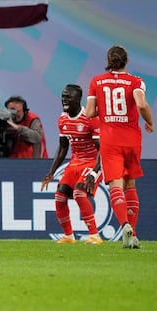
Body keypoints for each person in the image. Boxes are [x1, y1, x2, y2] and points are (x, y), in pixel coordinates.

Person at [85, 45, 154, 249]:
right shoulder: (136, 81)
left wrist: (105, 111)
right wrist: (149, 121)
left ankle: (124, 225)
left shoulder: (97, 81)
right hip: (131, 138)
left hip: (110, 139)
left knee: (116, 185)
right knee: (130, 184)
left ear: (109, 60)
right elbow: (141, 105)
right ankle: (133, 235)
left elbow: (89, 113)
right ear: (127, 61)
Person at [41, 84, 103, 245]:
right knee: (59, 196)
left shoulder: (90, 118)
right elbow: (62, 147)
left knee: (79, 194)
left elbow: (102, 150)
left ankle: (95, 235)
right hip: (74, 163)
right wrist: (51, 172)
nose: (64, 100)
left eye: (68, 97)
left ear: (78, 99)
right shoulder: (63, 119)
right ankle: (69, 236)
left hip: (92, 162)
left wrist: (94, 173)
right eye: (63, 96)